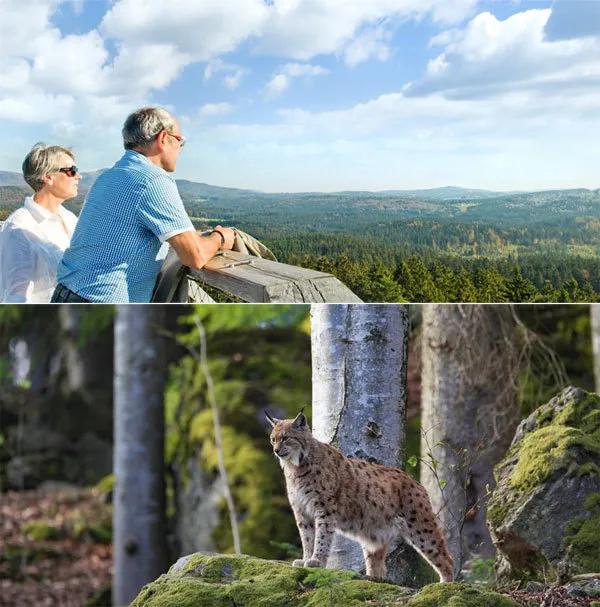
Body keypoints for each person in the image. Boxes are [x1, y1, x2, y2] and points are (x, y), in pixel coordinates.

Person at [52, 107, 235, 303]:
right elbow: (195, 256)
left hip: (64, 293)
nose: (180, 150)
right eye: (180, 141)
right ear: (163, 138)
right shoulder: (152, 179)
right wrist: (221, 237)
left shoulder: (107, 176)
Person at [0, 143, 80, 302]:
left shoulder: (70, 218)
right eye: (72, 170)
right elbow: (16, 298)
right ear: (48, 177)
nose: (79, 176)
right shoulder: (19, 229)